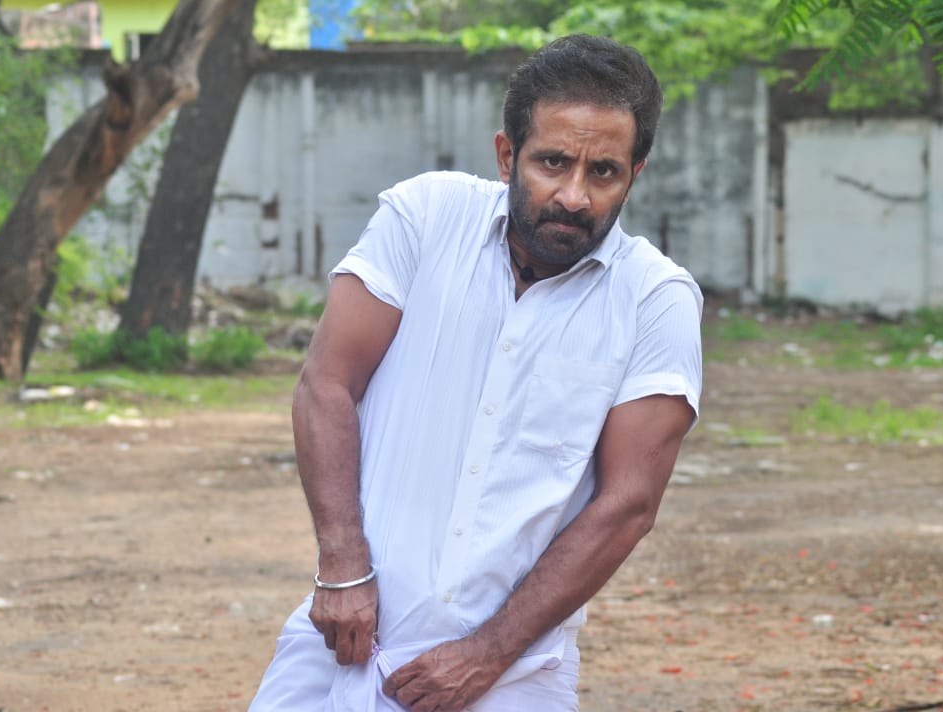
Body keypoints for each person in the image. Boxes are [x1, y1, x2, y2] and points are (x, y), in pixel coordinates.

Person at [250, 33, 702, 712]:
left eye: (604, 172)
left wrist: (488, 653)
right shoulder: (424, 218)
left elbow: (627, 504)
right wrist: (341, 565)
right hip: (341, 640)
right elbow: (327, 384)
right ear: (506, 155)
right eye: (553, 162)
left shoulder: (655, 301)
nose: (574, 196)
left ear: (634, 174)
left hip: (511, 676)